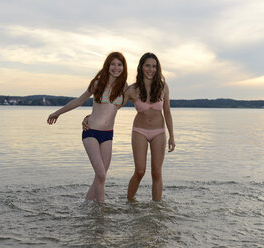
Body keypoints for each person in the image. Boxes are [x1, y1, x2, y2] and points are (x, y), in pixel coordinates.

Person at [83, 52, 175, 201]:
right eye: (147, 66)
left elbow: (168, 112)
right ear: (141, 67)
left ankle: (157, 210)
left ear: (157, 69)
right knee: (140, 171)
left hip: (159, 132)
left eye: (154, 66)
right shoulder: (132, 90)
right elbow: (111, 107)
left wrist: (172, 136)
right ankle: (130, 202)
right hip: (140, 131)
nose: (150, 69)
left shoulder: (163, 87)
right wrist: (90, 118)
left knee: (157, 172)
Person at [47, 52, 128, 203]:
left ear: (124, 67)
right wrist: (57, 113)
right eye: (113, 64)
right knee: (102, 175)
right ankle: (101, 213)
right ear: (107, 65)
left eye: (119, 64)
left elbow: (115, 108)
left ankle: (86, 205)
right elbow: (78, 101)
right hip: (90, 132)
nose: (116, 68)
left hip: (108, 135)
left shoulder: (124, 87)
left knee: (100, 176)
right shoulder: (97, 83)